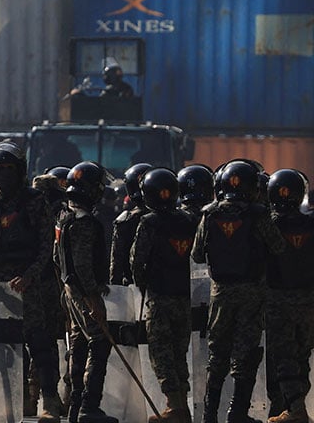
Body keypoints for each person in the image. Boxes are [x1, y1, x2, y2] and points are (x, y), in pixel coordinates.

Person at [0, 141, 64, 422]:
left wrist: (29, 276)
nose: (6, 174)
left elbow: (47, 246)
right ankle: (13, 400)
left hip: (28, 282)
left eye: (11, 169)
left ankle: (50, 400)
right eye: (1, 169)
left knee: (40, 342)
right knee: (4, 348)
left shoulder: (35, 202)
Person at [192, 160, 287, 423]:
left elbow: (197, 254)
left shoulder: (209, 214)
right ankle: (237, 413)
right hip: (251, 294)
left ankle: (209, 416)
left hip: (220, 293)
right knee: (246, 353)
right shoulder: (258, 214)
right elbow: (278, 247)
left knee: (217, 353)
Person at [131, 168, 199, 423]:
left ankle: (174, 406)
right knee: (179, 352)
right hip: (185, 295)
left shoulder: (149, 222)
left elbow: (137, 260)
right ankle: (182, 406)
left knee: (161, 353)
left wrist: (142, 286)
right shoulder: (190, 220)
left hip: (160, 296)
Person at [55, 162, 117, 423]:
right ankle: (88, 407)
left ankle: (75, 407)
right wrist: (93, 299)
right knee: (100, 343)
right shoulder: (84, 222)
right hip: (83, 294)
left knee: (79, 345)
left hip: (70, 291)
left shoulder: (64, 216)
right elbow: (81, 265)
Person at [264, 169, 313, 423]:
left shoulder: (268, 225)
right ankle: (297, 406)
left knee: (282, 358)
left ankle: (295, 410)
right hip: (308, 301)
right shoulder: (310, 223)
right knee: (302, 356)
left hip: (278, 302)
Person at [110, 163, 153, 287]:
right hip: (166, 288)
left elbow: (117, 260)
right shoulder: (172, 217)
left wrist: (116, 289)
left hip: (133, 287)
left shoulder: (126, 221)